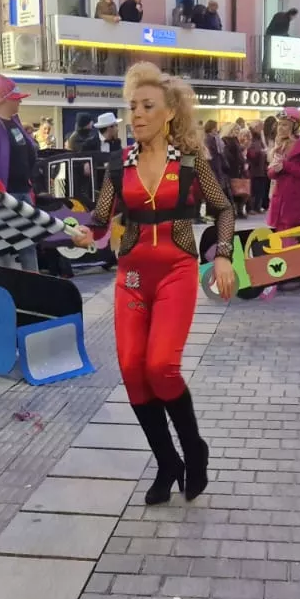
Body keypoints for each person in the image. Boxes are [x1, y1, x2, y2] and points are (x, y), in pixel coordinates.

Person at [70, 62, 236, 506]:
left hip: (177, 273)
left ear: (169, 113)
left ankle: (193, 448)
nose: (137, 114)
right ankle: (167, 461)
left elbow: (224, 210)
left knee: (161, 366)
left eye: (147, 106)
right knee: (131, 370)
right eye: (132, 107)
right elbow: (100, 221)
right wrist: (88, 233)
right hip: (134, 277)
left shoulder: (191, 164)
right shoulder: (116, 165)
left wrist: (223, 257)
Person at [0, 74, 40, 273]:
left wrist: (29, 186)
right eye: (16, 97)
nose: (20, 100)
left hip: (21, 192)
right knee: (3, 247)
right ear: (6, 99)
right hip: (4, 194)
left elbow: (27, 155)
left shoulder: (15, 123)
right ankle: (7, 289)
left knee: (28, 245)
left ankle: (35, 288)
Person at [267, 107, 300, 238]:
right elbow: (270, 174)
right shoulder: (278, 145)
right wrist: (275, 170)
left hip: (296, 197)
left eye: (285, 125)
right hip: (279, 197)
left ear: (294, 127)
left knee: (295, 237)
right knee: (280, 238)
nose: (280, 128)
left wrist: (284, 165)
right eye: (279, 124)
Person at [243, 127, 269, 215]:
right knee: (253, 190)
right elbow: (251, 155)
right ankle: (251, 207)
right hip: (253, 170)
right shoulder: (250, 143)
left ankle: (258, 206)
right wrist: (261, 152)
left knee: (260, 190)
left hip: (262, 169)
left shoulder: (260, 141)